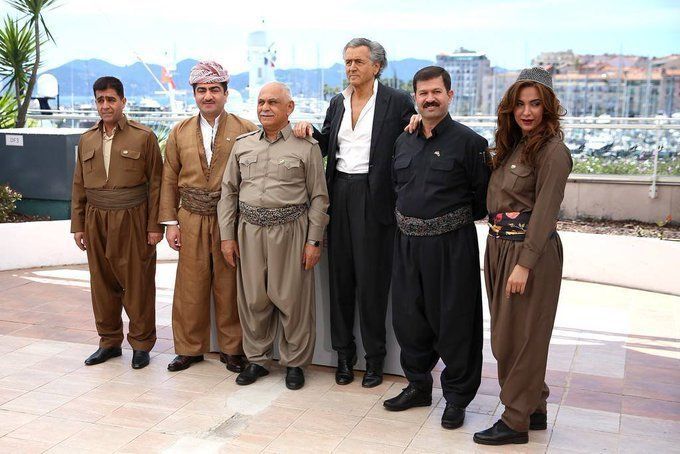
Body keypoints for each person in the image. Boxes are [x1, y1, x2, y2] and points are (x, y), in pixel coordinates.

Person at [293, 38, 415, 387]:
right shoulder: (338, 101)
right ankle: (344, 357)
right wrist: (308, 131)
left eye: (358, 61)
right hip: (339, 193)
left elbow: (413, 137)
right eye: (347, 61)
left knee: (373, 284)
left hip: (376, 198)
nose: (351, 68)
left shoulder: (396, 101)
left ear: (376, 66)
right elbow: (327, 144)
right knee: (340, 281)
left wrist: (419, 120)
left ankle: (375, 360)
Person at [382, 66, 489, 430]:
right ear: (415, 98)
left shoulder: (470, 143)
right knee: (409, 319)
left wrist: (443, 224)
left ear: (449, 95)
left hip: (451, 247)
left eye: (436, 92)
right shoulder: (403, 141)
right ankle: (418, 386)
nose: (429, 99)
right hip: (407, 245)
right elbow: (396, 187)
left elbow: (481, 201)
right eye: (423, 93)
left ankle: (457, 398)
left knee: (455, 322)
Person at [473, 67, 572, 445]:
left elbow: (545, 212)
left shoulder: (553, 152)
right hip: (499, 247)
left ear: (548, 108)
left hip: (528, 253)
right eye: (520, 104)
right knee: (506, 337)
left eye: (535, 104)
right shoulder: (514, 146)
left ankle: (515, 421)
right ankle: (534, 407)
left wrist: (525, 264)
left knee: (521, 339)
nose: (526, 112)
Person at [217, 82, 329, 390]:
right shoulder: (243, 145)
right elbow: (229, 192)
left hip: (292, 231)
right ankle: (257, 360)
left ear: (289, 108)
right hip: (249, 231)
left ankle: (295, 364)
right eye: (261, 102)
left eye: (273, 102)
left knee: (293, 300)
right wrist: (227, 236)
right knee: (253, 298)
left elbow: (319, 197)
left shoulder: (306, 146)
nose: (265, 108)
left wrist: (313, 241)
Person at [159, 61, 257, 372]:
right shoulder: (180, 131)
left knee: (229, 285)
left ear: (226, 93)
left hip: (231, 219)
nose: (208, 96)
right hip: (190, 216)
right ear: (194, 95)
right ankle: (189, 349)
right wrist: (170, 223)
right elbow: (168, 177)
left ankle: (233, 350)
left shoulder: (246, 129)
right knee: (190, 285)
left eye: (215, 89)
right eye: (201, 90)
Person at [71, 76, 163, 370]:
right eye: (100, 100)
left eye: (111, 99)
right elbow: (79, 185)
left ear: (123, 101)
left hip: (133, 216)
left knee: (138, 283)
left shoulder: (143, 137)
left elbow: (157, 184)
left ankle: (141, 344)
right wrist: (78, 225)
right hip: (96, 217)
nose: (105, 105)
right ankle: (109, 342)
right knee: (101, 283)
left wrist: (155, 226)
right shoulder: (87, 139)